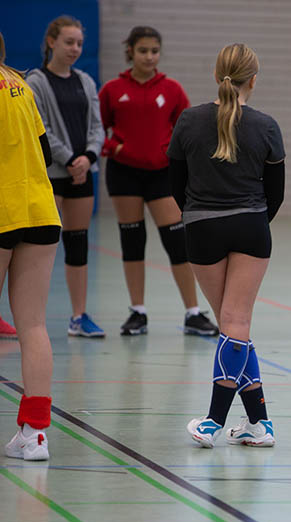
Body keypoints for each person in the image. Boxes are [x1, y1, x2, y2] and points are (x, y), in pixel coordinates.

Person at [168, 43, 284, 448]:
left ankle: (214, 422)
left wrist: (203, 215)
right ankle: (260, 424)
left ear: (217, 75)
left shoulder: (188, 120)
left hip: (201, 228)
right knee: (236, 327)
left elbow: (175, 186)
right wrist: (249, 222)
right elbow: (276, 194)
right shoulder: (266, 125)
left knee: (231, 325)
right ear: (254, 79)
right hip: (252, 227)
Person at [99, 26, 217, 337]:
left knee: (177, 242)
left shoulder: (172, 90)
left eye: (154, 51)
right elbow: (98, 130)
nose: (149, 57)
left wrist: (178, 159)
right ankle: (138, 311)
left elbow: (187, 130)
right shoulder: (112, 90)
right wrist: (116, 148)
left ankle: (193, 312)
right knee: (132, 241)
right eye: (143, 51)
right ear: (131, 52)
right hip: (124, 174)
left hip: (162, 175)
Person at [0, 32, 62, 460]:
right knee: (34, 326)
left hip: (4, 211)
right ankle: (35, 433)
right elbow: (43, 149)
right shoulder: (19, 84)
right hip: (41, 211)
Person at [26, 15, 105, 337]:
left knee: (78, 244)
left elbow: (97, 126)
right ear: (51, 42)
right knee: (35, 250)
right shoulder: (35, 82)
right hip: (51, 175)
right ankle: (30, 319)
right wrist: (70, 158)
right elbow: (39, 126)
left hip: (82, 174)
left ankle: (79, 316)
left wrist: (87, 156)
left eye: (79, 44)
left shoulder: (86, 81)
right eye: (69, 42)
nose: (75, 49)